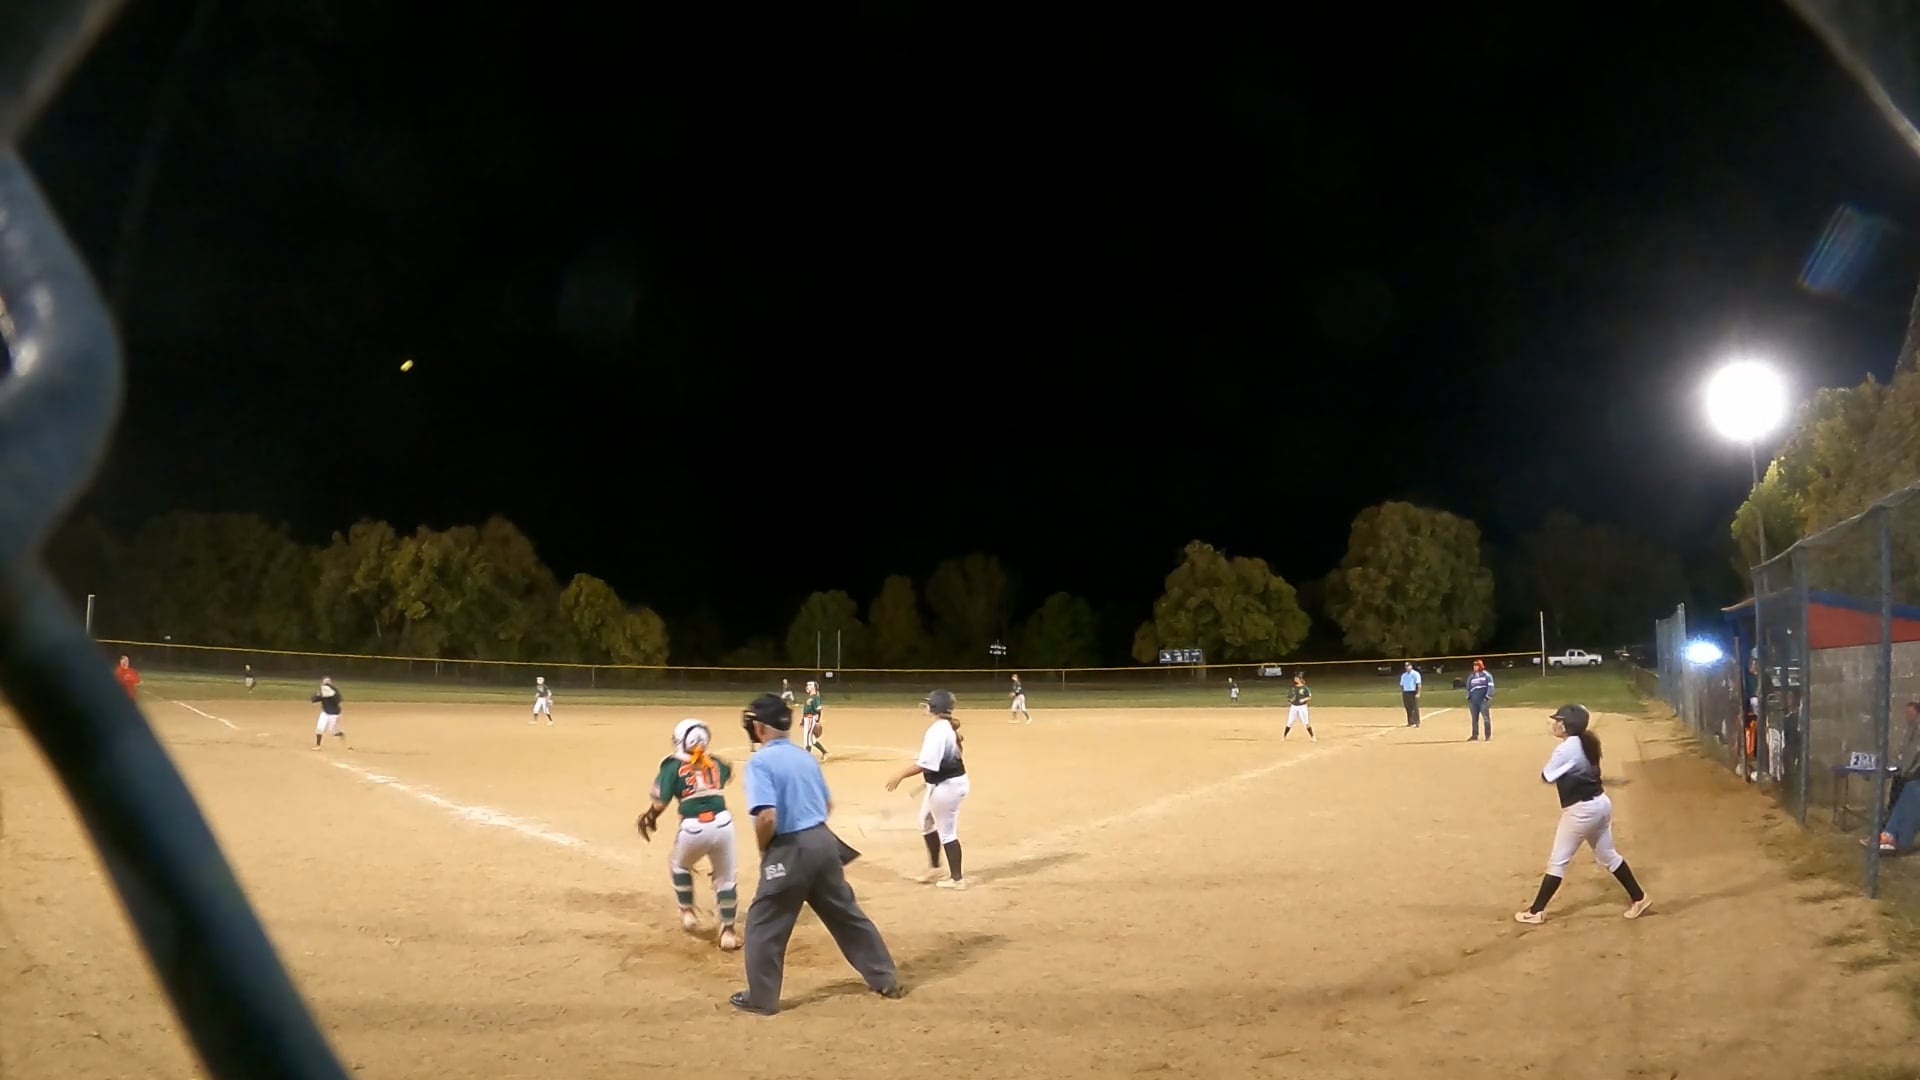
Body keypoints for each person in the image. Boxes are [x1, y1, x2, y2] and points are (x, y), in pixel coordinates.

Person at [730, 694, 899, 1016]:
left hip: (789, 847)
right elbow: (827, 805)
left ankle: (762, 998)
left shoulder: (761, 762)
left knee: (764, 924)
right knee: (846, 915)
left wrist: (766, 849)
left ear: (760, 728)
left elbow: (766, 816)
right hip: (824, 843)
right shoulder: (804, 757)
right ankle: (884, 977)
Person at [1514, 704, 1652, 924]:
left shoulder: (1566, 748)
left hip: (1581, 812)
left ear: (1567, 726)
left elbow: (1547, 776)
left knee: (1558, 861)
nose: (1555, 724)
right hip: (1600, 804)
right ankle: (1639, 897)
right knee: (1608, 856)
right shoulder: (1587, 741)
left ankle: (1535, 912)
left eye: (1559, 721)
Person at [636, 718, 740, 951]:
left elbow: (660, 802)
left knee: (679, 865)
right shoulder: (716, 763)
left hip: (693, 827)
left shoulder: (672, 766)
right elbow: (727, 772)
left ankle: (687, 912)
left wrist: (650, 816)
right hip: (724, 824)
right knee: (726, 879)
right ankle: (728, 933)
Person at [887, 690, 970, 889]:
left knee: (947, 832)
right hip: (942, 783)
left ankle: (957, 880)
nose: (926, 706)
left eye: (929, 703)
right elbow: (958, 754)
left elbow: (926, 764)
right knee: (925, 821)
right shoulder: (945, 728)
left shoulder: (937, 731)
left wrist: (900, 775)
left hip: (948, 786)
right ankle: (935, 869)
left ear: (935, 707)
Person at [310, 677, 347, 751]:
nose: (326, 684)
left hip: (334, 714)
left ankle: (341, 734)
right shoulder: (322, 691)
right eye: (325, 682)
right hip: (325, 713)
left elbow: (339, 700)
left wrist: (332, 695)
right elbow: (313, 700)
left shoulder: (334, 691)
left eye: (327, 682)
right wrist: (319, 694)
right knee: (319, 729)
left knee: (333, 732)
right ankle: (318, 746)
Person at [1466, 659, 1495, 741]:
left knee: (1486, 718)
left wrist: (1487, 696)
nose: (1474, 667)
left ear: (1480, 666)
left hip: (1483, 700)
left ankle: (1487, 735)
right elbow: (1468, 687)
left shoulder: (1487, 675)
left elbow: (1491, 687)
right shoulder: (1471, 676)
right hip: (1473, 701)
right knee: (1474, 719)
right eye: (1474, 665)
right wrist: (1468, 697)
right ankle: (1474, 735)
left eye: (1476, 665)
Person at [801, 680, 829, 760]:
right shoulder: (809, 697)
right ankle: (825, 752)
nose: (807, 687)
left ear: (813, 688)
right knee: (812, 739)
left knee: (807, 738)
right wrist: (802, 720)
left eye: (809, 686)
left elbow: (819, 710)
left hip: (810, 719)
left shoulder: (815, 698)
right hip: (807, 719)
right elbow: (806, 710)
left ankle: (807, 758)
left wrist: (817, 721)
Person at [1285, 673, 1315, 742]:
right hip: (1293, 707)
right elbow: (1290, 696)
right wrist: (1290, 700)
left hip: (1302, 707)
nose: (1295, 679)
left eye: (1297, 678)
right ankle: (1284, 736)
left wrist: (1303, 699)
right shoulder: (1293, 688)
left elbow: (1309, 697)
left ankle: (1312, 736)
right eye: (1295, 678)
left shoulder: (1305, 688)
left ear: (1300, 679)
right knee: (1290, 721)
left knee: (1306, 722)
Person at [1399, 662, 1422, 727]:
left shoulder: (1415, 674)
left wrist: (1418, 693)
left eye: (1408, 666)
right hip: (1406, 692)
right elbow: (1402, 685)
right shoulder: (1403, 675)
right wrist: (1403, 692)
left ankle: (1417, 722)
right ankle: (1410, 721)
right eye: (1406, 666)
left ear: (1411, 666)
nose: (1407, 667)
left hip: (1413, 691)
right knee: (1408, 707)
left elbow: (1419, 684)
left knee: (1415, 707)